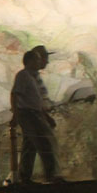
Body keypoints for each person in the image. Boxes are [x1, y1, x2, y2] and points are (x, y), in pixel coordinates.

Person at [11, 51, 61, 184]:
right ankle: (51, 175)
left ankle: (25, 176)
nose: (41, 62)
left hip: (35, 113)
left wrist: (46, 116)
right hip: (28, 113)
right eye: (38, 59)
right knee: (44, 142)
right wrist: (15, 116)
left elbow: (38, 100)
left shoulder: (34, 77)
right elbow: (15, 94)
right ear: (30, 61)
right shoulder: (23, 75)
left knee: (30, 145)